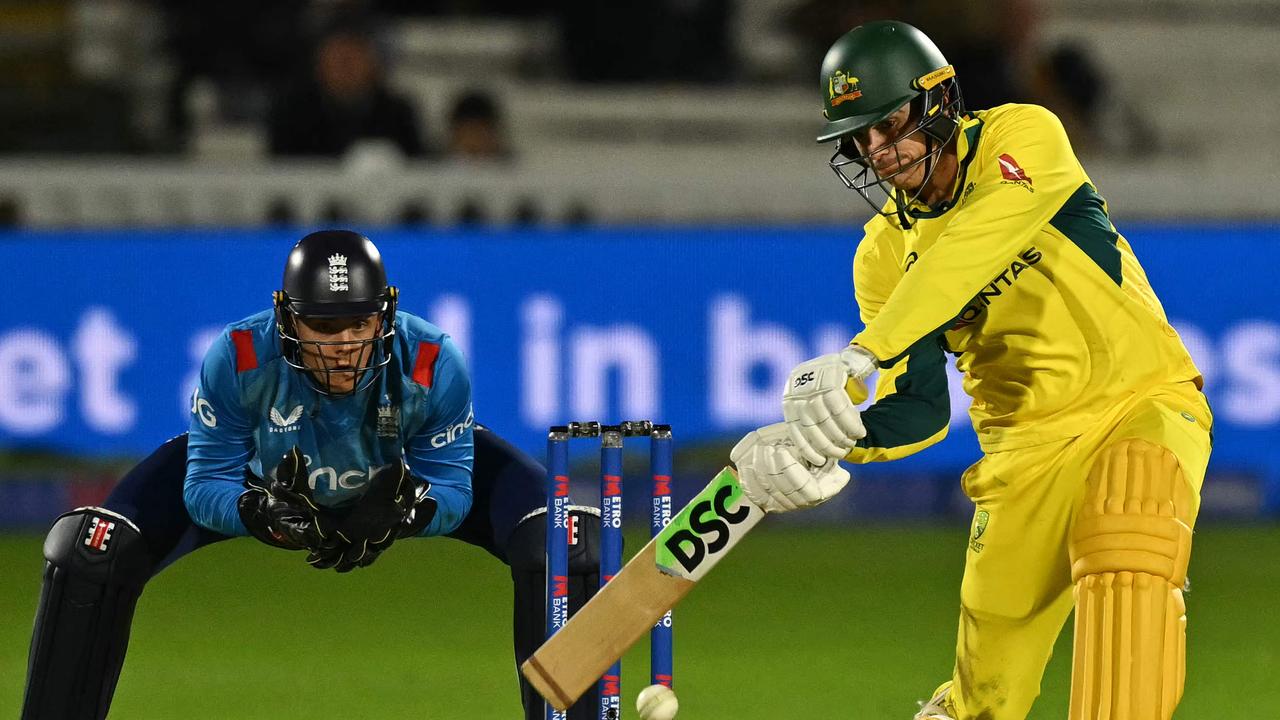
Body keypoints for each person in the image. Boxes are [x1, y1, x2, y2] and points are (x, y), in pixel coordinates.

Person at [729, 20, 1210, 720]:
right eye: (862, 139)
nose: (880, 154)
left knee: (1128, 553)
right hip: (1021, 463)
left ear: (939, 102)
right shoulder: (882, 256)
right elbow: (922, 407)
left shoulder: (1025, 137)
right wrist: (826, 439)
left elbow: (969, 253)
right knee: (979, 706)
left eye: (890, 126)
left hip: (1139, 404)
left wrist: (863, 351)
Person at [20, 230, 602, 720]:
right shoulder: (241, 357)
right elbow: (203, 485)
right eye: (323, 327)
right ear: (287, 317)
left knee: (567, 542)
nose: (343, 347)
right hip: (263, 475)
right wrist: (256, 511)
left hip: (395, 475)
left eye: (359, 324)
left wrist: (409, 511)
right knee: (90, 550)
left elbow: (453, 486)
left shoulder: (431, 361)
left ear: (386, 315)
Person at [267, 28, 428, 158]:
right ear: (319, 66)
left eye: (353, 59)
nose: (346, 69)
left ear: (373, 64)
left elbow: (418, 165)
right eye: (338, 60)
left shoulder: (398, 113)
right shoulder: (293, 114)